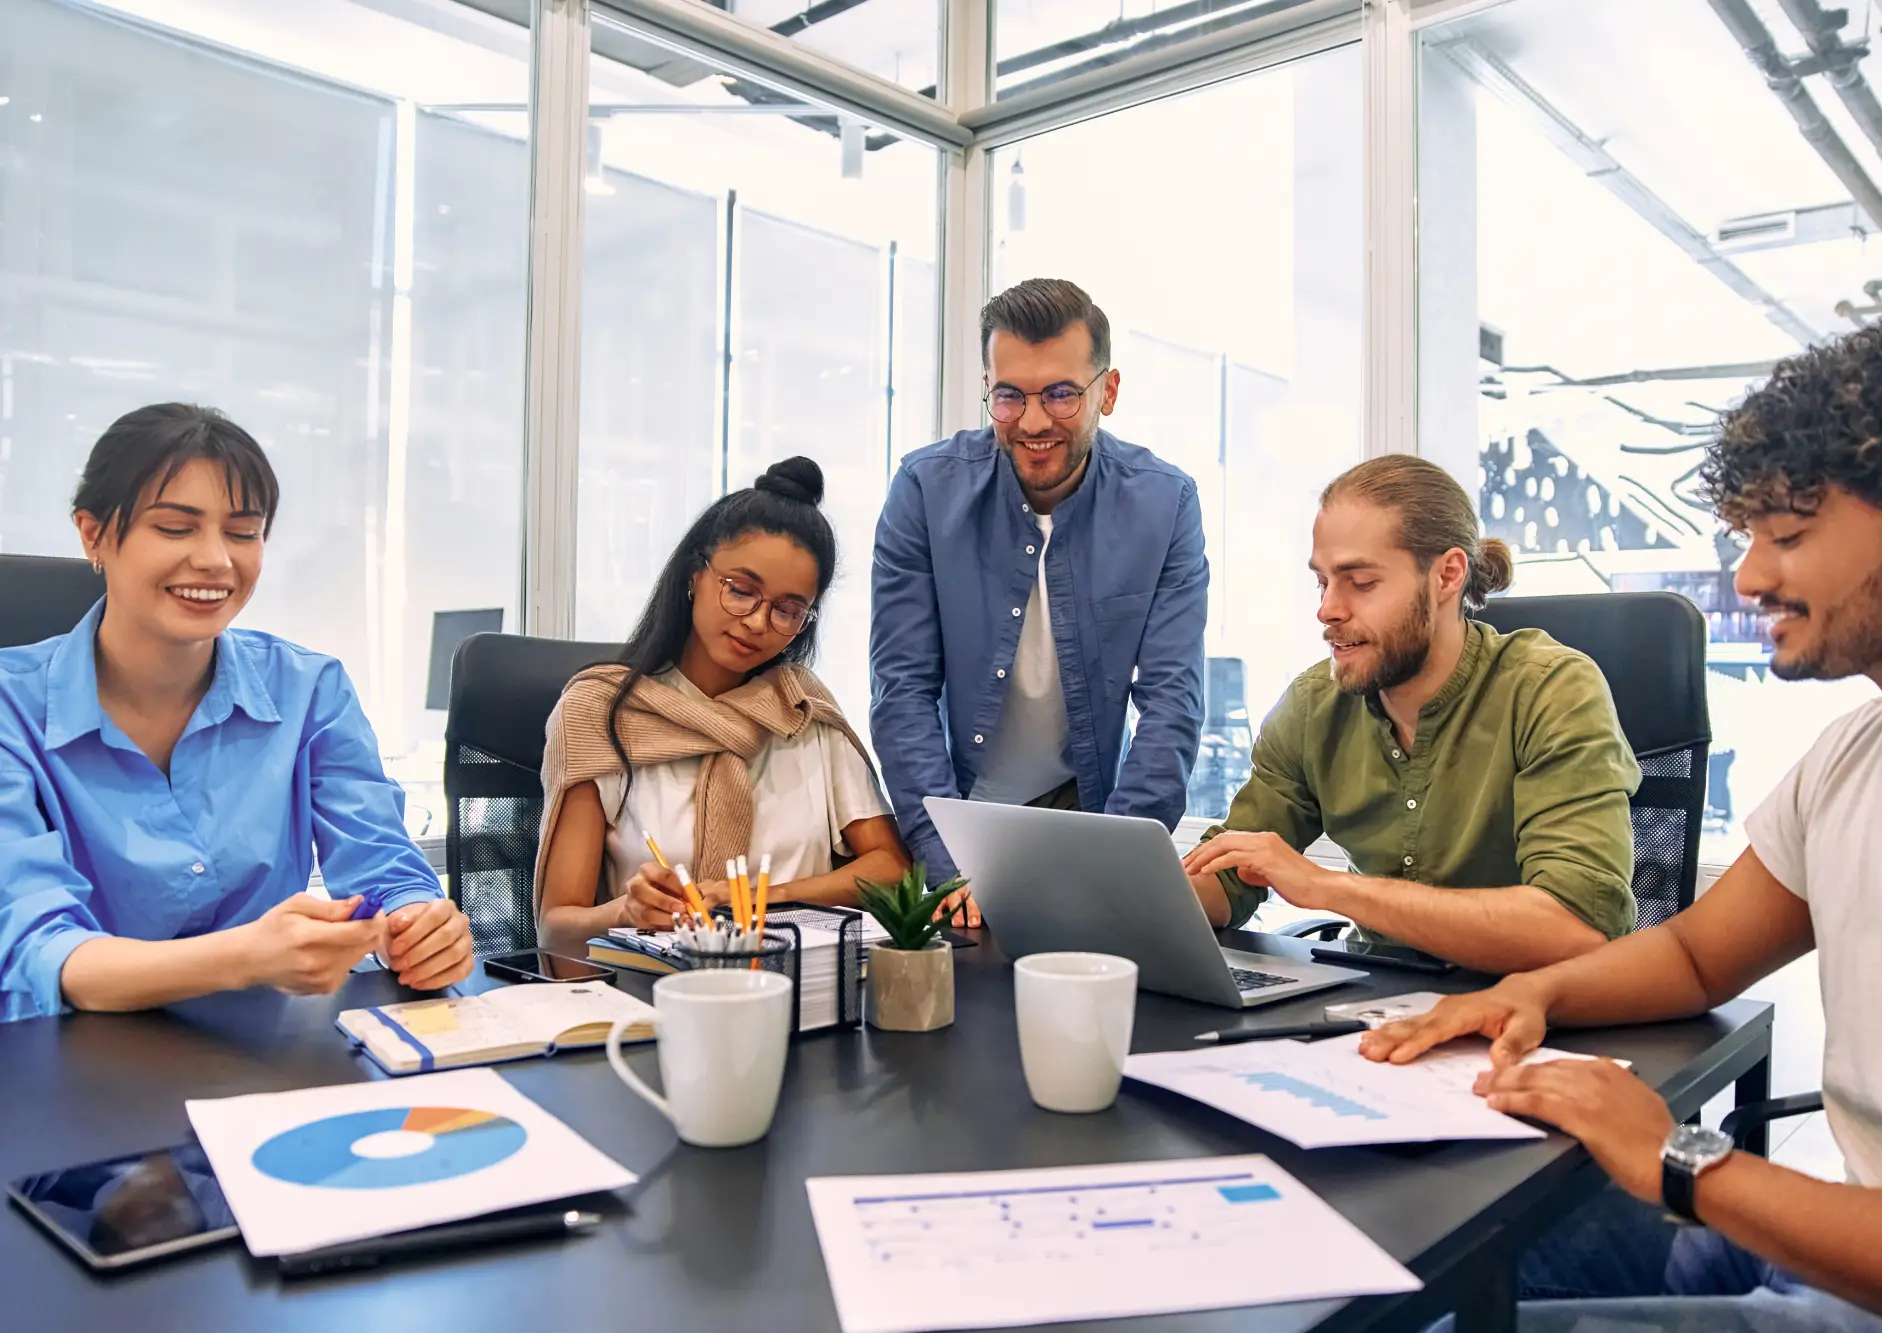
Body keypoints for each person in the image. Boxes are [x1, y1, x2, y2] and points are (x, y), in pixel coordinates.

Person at [1366, 318, 1882, 1332]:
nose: (1746, 578)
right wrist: (1525, 991)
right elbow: (1700, 955)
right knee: (1401, 1264)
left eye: (1786, 535)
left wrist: (1685, 1159)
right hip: (1812, 1239)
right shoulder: (1849, 756)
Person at [0, 404, 473, 1022]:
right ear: (93, 534)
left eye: (243, 532)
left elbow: (382, 869)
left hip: (259, 1059)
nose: (217, 561)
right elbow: (43, 950)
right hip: (62, 1066)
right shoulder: (12, 707)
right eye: (175, 528)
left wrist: (418, 925)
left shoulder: (310, 691)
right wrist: (246, 957)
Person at [1181, 456, 1640, 972]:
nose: (1328, 609)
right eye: (1323, 582)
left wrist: (1328, 888)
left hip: (1538, 1015)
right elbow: (1227, 876)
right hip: (1376, 1007)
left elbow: (1573, 929)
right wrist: (1150, 903)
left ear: (1447, 575)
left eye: (1361, 582)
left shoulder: (1550, 691)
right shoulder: (1313, 706)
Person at [871, 278, 1208, 920]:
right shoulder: (924, 490)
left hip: (1082, 808)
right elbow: (902, 691)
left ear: (1106, 392)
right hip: (955, 809)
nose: (1032, 421)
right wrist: (950, 864)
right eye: (1009, 395)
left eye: (1060, 394)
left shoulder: (1166, 504)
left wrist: (1117, 859)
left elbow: (1171, 700)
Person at [537, 458, 909, 952]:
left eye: (787, 609)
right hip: (650, 999)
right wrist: (625, 911)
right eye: (741, 591)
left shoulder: (803, 710)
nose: (757, 622)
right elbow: (556, 927)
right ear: (695, 576)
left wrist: (757, 897)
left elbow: (892, 870)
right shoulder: (601, 713)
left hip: (802, 993)